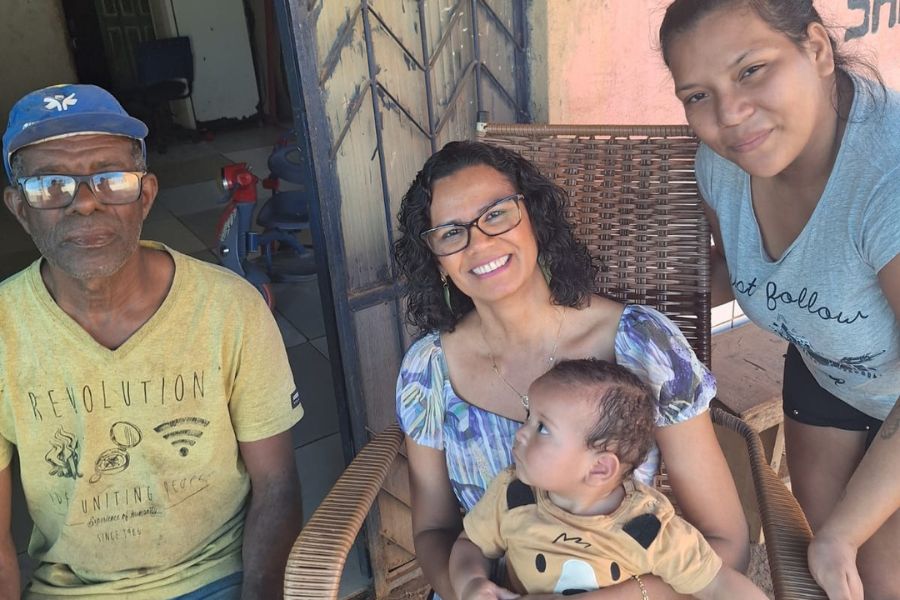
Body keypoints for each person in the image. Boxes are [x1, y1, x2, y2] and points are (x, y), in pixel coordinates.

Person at [394, 141, 749, 600]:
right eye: (450, 233)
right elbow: (434, 531)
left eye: (496, 214)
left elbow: (726, 543)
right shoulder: (429, 370)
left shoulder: (642, 344)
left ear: (534, 219)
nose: (479, 243)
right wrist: (467, 590)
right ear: (437, 260)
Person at [0, 84, 304, 599]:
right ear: (19, 208)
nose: (85, 204)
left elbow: (276, 484)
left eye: (111, 178)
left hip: (218, 577)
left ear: (145, 195)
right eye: (50, 185)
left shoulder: (230, 308)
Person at [658, 2, 900, 598]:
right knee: (844, 576)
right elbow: (733, 271)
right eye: (697, 95)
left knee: (879, 576)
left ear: (816, 48)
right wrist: (608, 309)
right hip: (825, 375)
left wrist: (843, 534)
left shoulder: (886, 180)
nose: (730, 115)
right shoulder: (722, 167)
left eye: (751, 70)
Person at [450, 359, 766, 600]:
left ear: (600, 468)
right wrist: (471, 583)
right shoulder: (514, 496)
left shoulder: (647, 527)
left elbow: (717, 582)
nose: (520, 433)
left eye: (542, 428)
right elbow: (470, 544)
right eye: (528, 417)